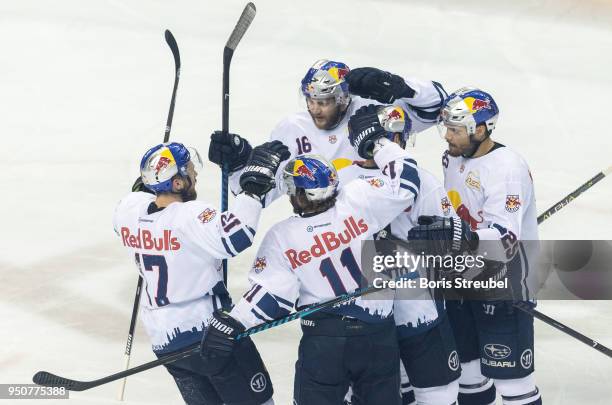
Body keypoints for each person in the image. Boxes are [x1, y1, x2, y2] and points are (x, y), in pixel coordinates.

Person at [200, 105, 422, 405]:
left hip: (325, 343)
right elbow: (406, 182)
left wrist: (234, 322)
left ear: (297, 194)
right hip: (377, 336)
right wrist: (380, 144)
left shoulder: (282, 236)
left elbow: (271, 298)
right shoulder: (357, 198)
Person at [113, 139, 289, 405]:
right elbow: (235, 236)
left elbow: (139, 202)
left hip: (166, 343)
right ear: (178, 183)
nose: (194, 172)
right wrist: (251, 190)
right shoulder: (188, 215)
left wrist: (150, 186)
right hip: (211, 335)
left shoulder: (128, 210)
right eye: (189, 169)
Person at [407, 88, 541, 405]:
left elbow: (506, 240)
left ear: (480, 129)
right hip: (462, 278)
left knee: (513, 384)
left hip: (504, 283)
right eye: (447, 128)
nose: (447, 137)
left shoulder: (506, 168)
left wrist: (457, 236)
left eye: (455, 129)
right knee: (467, 377)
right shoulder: (452, 158)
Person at [338, 104, 460, 405]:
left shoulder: (425, 182)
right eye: (388, 138)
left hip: (419, 307)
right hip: (364, 315)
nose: (396, 144)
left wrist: (442, 243)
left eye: (398, 137)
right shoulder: (338, 181)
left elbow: (455, 248)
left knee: (439, 396)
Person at [208, 59, 446, 207]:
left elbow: (437, 108)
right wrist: (240, 166)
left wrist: (401, 86)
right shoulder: (292, 128)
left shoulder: (371, 111)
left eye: (324, 101)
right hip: (327, 233)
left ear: (343, 98)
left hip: (385, 221)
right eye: (310, 100)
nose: (314, 109)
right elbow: (261, 194)